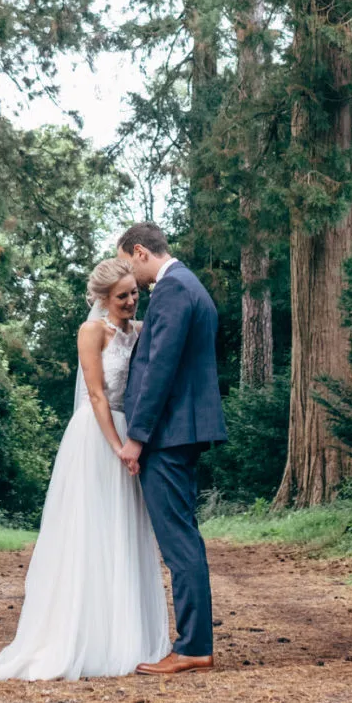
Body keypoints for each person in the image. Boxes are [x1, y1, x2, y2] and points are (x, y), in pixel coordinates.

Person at [0, 256, 171, 680]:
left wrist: (136, 441)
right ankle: (80, 633)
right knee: (88, 529)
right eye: (122, 296)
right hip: (97, 437)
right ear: (101, 298)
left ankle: (124, 633)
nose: (132, 301)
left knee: (125, 530)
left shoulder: (140, 331)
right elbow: (96, 395)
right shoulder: (91, 332)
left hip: (131, 434)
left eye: (134, 293)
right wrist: (118, 446)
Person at [116, 222, 227, 675]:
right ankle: (194, 641)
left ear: (140, 251)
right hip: (182, 429)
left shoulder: (174, 289)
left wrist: (137, 437)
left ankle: (195, 646)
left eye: (126, 263)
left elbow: (158, 369)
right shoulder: (188, 284)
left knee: (178, 541)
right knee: (184, 536)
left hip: (169, 433)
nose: (127, 276)